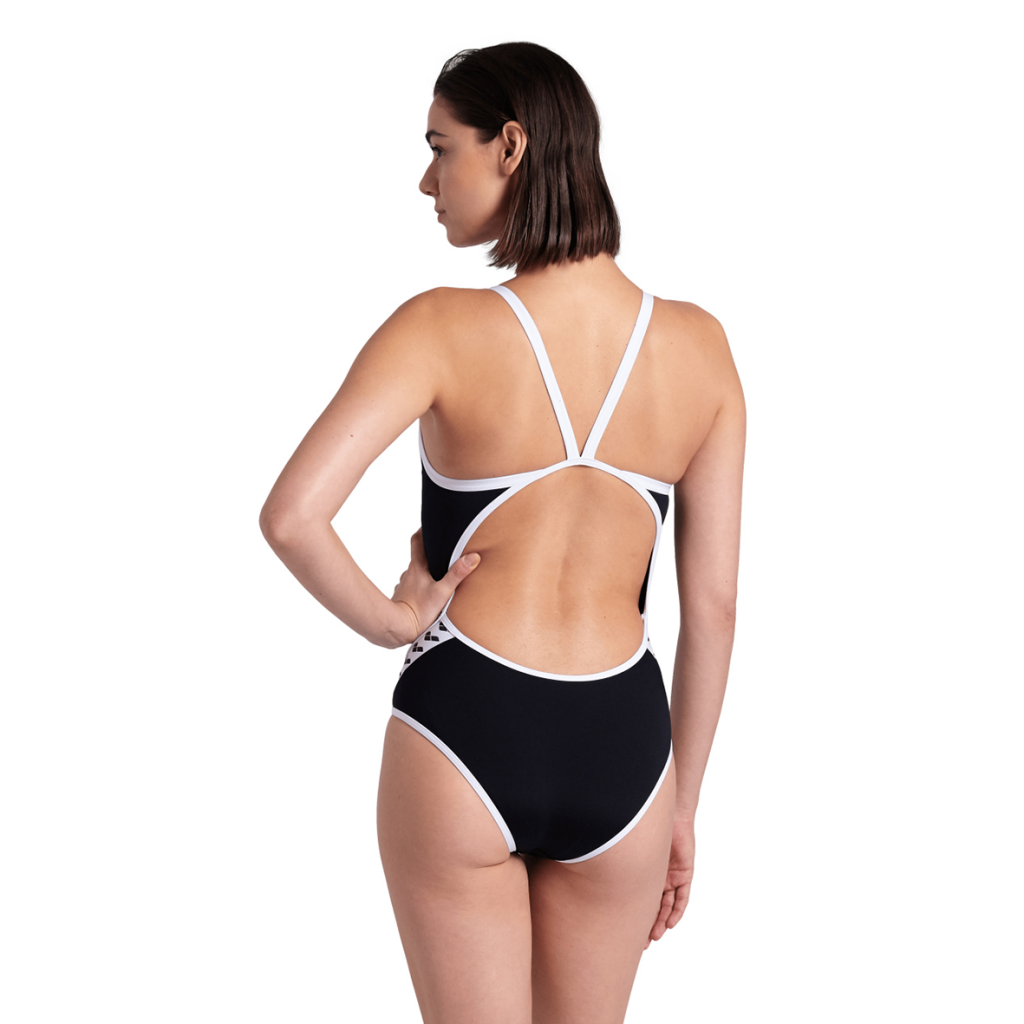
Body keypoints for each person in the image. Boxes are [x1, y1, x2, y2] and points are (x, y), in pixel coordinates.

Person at [260, 41, 744, 1024]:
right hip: (625, 752)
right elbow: (715, 606)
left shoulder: (438, 327)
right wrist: (681, 803)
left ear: (511, 146)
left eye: (441, 147)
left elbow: (292, 516)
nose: (425, 180)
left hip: (464, 729)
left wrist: (395, 621)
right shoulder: (700, 347)